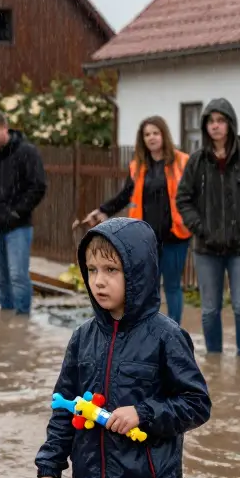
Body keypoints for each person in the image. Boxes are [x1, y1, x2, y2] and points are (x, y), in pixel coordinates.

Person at [35, 217, 211, 478]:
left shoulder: (166, 336)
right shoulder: (83, 338)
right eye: (92, 269)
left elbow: (196, 403)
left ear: (138, 272)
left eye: (111, 269)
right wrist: (48, 468)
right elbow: (64, 408)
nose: (99, 281)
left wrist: (142, 413)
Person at [84, 116, 192, 324]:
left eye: (155, 133)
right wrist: (103, 211)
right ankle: (148, 328)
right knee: (147, 286)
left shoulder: (181, 162)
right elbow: (125, 195)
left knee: (172, 286)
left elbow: (194, 194)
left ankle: (174, 330)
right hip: (145, 239)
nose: (151, 138)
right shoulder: (139, 166)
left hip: (175, 236)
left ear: (163, 135)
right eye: (147, 134)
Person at [175, 99, 240, 356]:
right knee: (210, 308)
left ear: (230, 125)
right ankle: (214, 359)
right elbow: (183, 198)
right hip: (206, 248)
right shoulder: (197, 161)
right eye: (211, 121)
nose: (216, 126)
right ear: (205, 127)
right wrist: (199, 226)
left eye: (221, 121)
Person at [0, 110, 47, 315]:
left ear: (5, 128)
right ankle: (6, 321)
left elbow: (38, 186)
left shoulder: (26, 152)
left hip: (17, 227)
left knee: (17, 276)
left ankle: (22, 323)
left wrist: (16, 212)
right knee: (0, 278)